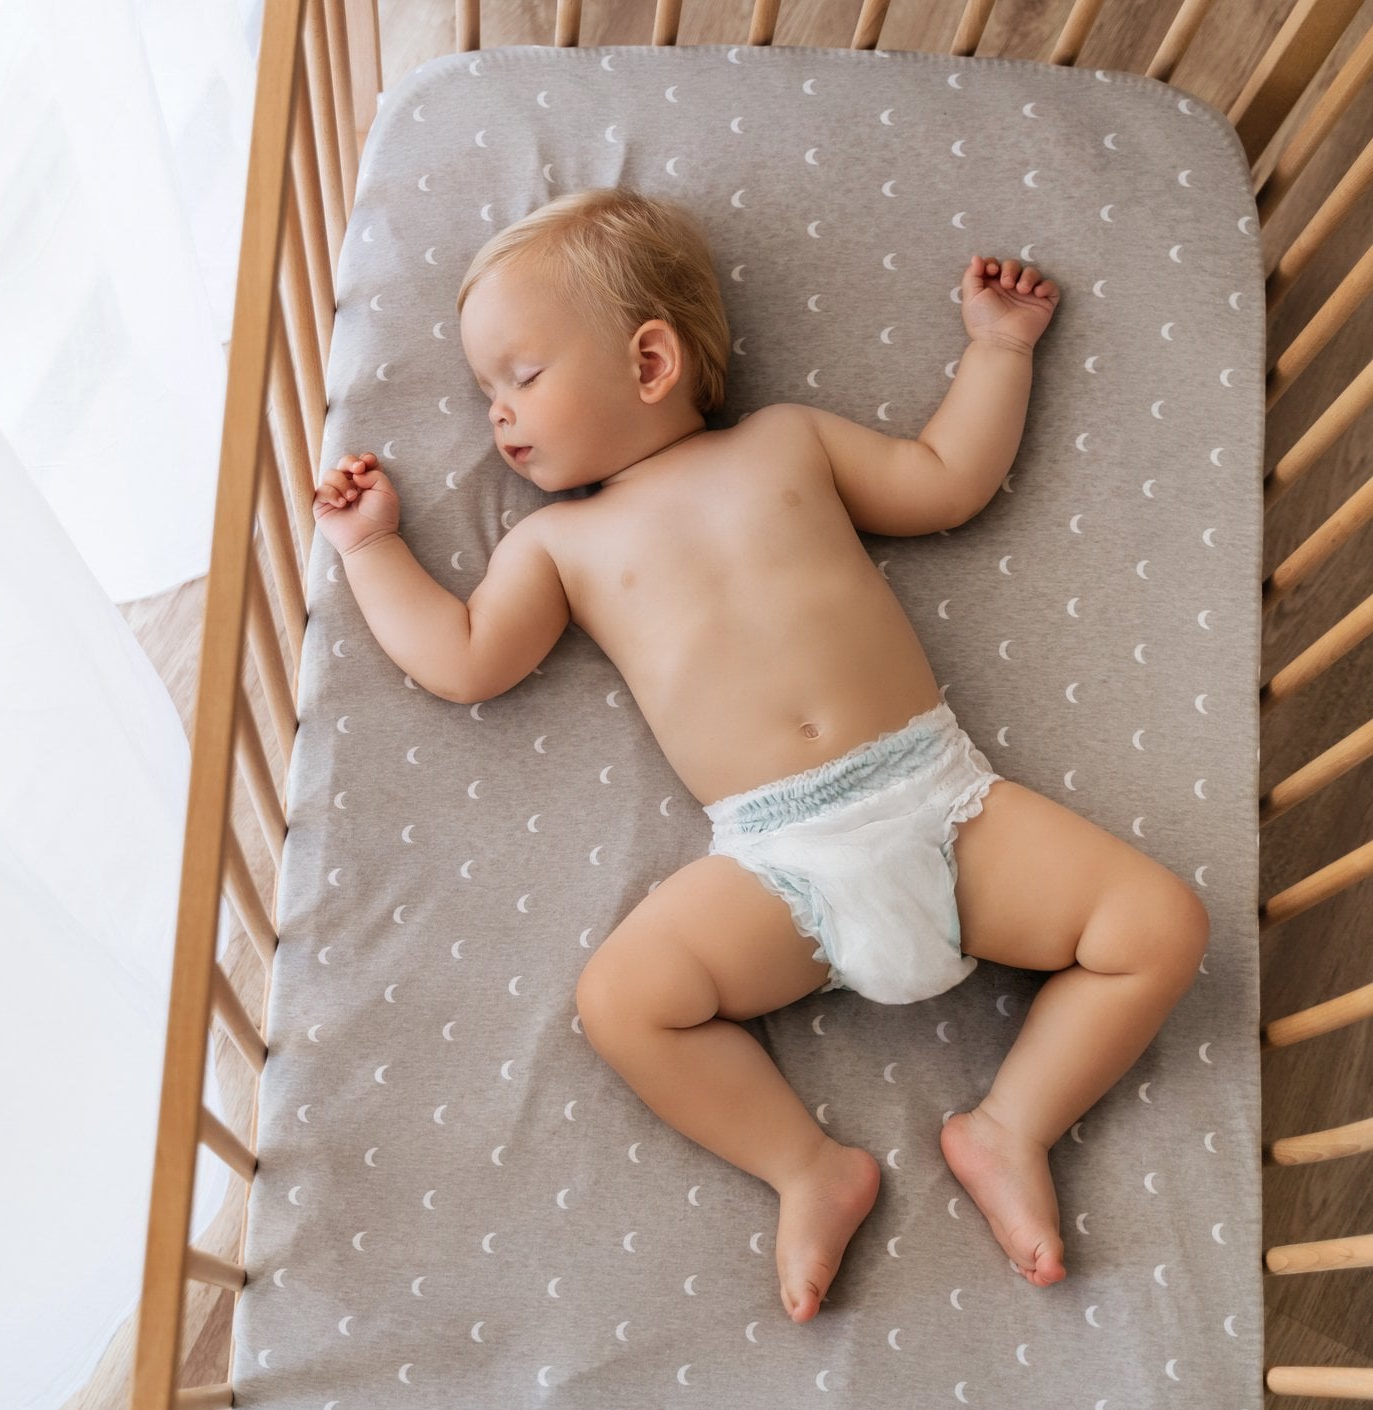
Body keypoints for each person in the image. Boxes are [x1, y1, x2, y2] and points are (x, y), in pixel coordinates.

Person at [309, 186, 1210, 1325]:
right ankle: (806, 1167)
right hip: (776, 862)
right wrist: (373, 546)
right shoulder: (556, 543)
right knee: (622, 1001)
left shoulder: (789, 441)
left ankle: (1010, 1125)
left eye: (520, 376)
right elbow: (465, 656)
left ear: (650, 361)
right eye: (485, 392)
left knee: (1161, 925)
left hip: (941, 804)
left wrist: (996, 352)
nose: (496, 414)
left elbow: (944, 480)